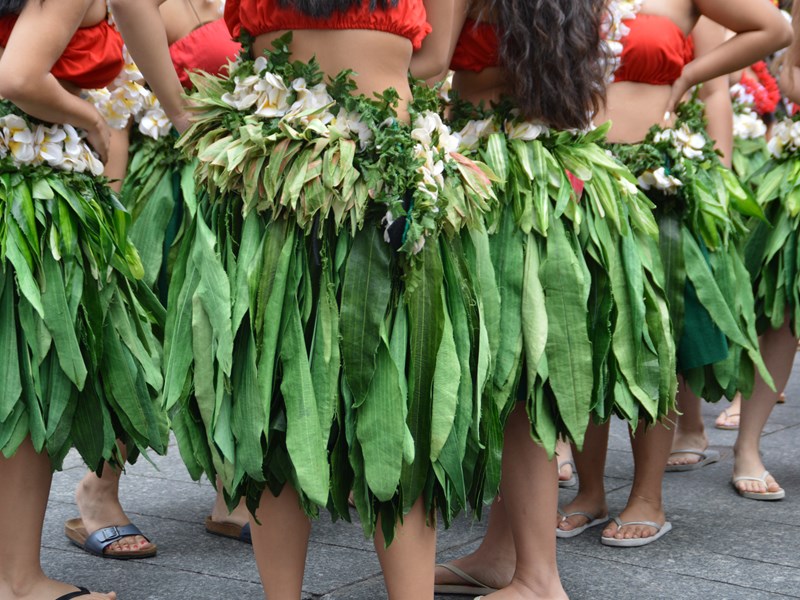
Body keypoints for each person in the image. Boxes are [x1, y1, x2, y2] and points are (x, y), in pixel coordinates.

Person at [109, 0, 501, 598]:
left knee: (398, 408)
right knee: (275, 411)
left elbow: (438, 57)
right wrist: (181, 113)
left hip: (382, 183)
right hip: (279, 180)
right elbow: (430, 60)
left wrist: (185, 109)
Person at [433, 0, 676, 597]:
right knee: (523, 376)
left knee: (517, 382)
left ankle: (539, 579)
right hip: (553, 171)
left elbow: (423, 63)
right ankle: (502, 554)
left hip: (494, 176)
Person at [557, 0, 791, 546]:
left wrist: (687, 73)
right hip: (573, 174)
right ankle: (589, 491)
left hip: (651, 182)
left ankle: (648, 497)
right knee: (582, 338)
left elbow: (772, 25)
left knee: (650, 343)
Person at [0, 0, 169, 597]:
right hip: (27, 178)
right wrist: (91, 120)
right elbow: (19, 77)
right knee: (27, 381)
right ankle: (18, 579)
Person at [69, 0, 250, 557]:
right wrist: (110, 205)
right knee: (142, 343)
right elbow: (113, 105)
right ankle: (96, 493)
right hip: (166, 194)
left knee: (233, 336)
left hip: (235, 181)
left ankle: (232, 488)